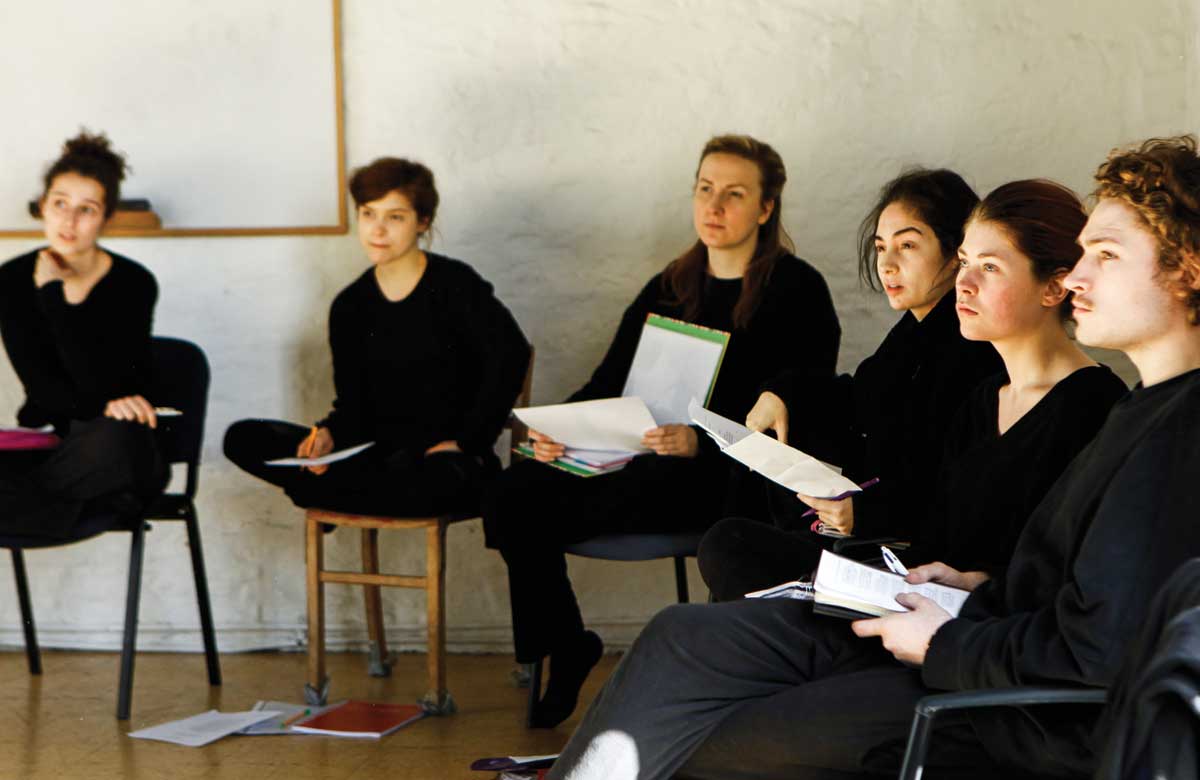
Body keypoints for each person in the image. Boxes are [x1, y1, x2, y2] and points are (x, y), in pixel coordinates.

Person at [542, 135, 1200, 780]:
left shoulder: (1171, 433)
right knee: (680, 636)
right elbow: (1070, 590)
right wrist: (978, 589)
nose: (1079, 274)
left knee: (704, 727)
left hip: (1007, 707)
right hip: (960, 627)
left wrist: (948, 636)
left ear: (1189, 269)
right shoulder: (1142, 407)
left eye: (1105, 256)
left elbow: (1097, 653)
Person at [483, 134, 841, 728]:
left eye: (734, 193)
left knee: (540, 498)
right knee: (511, 489)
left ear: (766, 208)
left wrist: (701, 442)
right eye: (705, 189)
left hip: (725, 483)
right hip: (641, 466)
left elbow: (804, 406)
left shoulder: (796, 290)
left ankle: (679, 674)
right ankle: (566, 644)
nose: (714, 206)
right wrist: (555, 434)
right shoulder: (671, 285)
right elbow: (607, 384)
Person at [701, 179, 1128, 600]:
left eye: (990, 267)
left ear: (1054, 287)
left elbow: (1061, 573)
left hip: (978, 628)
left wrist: (876, 532)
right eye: (965, 262)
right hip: (920, 595)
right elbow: (937, 534)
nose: (965, 283)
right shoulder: (986, 399)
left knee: (730, 565)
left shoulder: (1093, 406)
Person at [699, 168, 1003, 599]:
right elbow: (859, 395)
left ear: (956, 252)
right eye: (881, 247)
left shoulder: (970, 346)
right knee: (738, 516)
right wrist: (782, 393)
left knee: (731, 546)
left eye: (908, 246)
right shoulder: (912, 333)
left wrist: (863, 514)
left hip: (911, 560)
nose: (887, 264)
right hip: (865, 534)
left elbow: (952, 488)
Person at [223, 157, 530, 522]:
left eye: (395, 217)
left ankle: (321, 490)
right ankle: (334, 485)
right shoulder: (350, 305)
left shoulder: (455, 285)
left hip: (444, 461)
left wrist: (468, 441)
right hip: (376, 454)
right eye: (368, 214)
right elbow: (353, 406)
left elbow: (511, 355)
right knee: (242, 438)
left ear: (423, 221)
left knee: (431, 482)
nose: (378, 230)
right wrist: (329, 434)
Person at [0, 131, 165, 539]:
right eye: (59, 204)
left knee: (117, 436)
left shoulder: (134, 283)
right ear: (42, 207)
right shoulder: (12, 281)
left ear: (106, 218)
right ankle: (84, 502)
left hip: (112, 446)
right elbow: (48, 393)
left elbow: (113, 390)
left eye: (86, 210)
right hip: (52, 448)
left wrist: (54, 297)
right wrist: (105, 402)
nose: (68, 221)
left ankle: (31, 503)